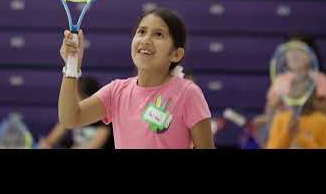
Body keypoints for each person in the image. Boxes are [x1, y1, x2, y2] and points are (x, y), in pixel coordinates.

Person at [57, 8, 214, 149]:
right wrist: (72, 66)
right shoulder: (116, 91)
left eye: (158, 34)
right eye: (141, 32)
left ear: (176, 54)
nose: (145, 40)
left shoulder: (188, 94)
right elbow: (71, 118)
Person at [253, 34, 326, 147]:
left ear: (311, 55)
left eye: (299, 51)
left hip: (311, 131)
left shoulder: (319, 79)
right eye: (290, 51)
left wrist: (306, 104)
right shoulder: (280, 80)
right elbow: (270, 112)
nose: (294, 55)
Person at [39, 77, 114, 149]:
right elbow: (49, 141)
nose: (70, 101)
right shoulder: (71, 116)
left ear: (88, 98)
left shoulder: (104, 124)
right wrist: (46, 144)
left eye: (75, 96)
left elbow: (92, 146)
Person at [265, 76, 326, 149]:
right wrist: (288, 133)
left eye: (303, 92)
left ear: (313, 95)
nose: (298, 94)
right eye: (295, 90)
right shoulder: (280, 119)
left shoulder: (324, 121)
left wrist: (301, 139)